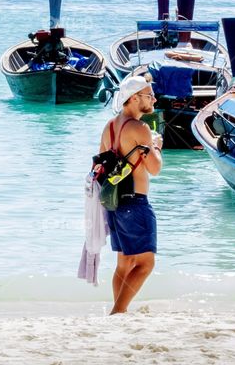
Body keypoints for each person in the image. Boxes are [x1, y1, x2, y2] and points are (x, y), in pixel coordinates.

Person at [99, 75, 163, 314]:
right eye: (149, 95)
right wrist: (156, 145)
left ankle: (120, 311)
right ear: (134, 98)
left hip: (114, 202)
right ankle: (118, 310)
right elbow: (154, 169)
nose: (154, 98)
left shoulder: (110, 126)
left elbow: (101, 163)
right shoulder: (140, 128)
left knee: (124, 263)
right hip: (135, 202)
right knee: (146, 263)